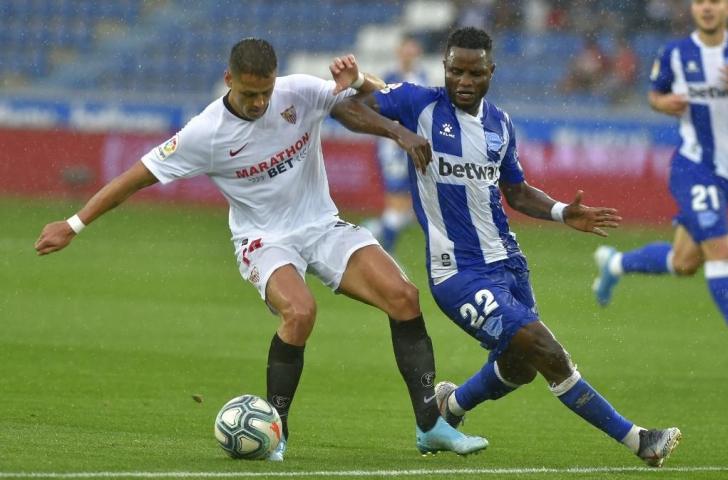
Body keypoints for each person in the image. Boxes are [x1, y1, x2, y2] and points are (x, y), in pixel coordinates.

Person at [34, 38, 488, 460]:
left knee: (403, 297)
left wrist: (393, 128)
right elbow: (134, 177)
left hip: (321, 225)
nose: (259, 102)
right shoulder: (204, 133)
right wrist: (75, 223)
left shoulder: (295, 92)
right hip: (263, 240)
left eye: (265, 92)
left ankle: (430, 424)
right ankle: (276, 431)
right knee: (300, 312)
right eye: (250, 94)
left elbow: (350, 107)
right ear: (229, 80)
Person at [333, 27, 681, 467]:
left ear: (490, 72)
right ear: (444, 68)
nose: (463, 80)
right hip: (457, 274)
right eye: (455, 70)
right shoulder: (417, 103)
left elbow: (514, 192)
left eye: (474, 72)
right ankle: (640, 440)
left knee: (521, 366)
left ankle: (448, 409)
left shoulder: (500, 124)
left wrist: (560, 212)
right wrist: (397, 133)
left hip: (509, 263)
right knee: (546, 349)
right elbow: (345, 109)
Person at [593, 0, 728, 328]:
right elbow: (655, 95)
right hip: (697, 168)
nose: (707, 8)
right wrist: (663, 103)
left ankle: (615, 264)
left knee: (684, 262)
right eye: (700, 1)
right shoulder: (676, 54)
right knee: (721, 251)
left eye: (715, 1)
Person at [365, 36, 428, 253]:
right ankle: (382, 249)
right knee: (397, 202)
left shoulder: (421, 77)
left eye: (413, 52)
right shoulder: (389, 78)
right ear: (399, 53)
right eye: (406, 52)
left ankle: (373, 233)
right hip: (394, 147)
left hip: (412, 143)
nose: (410, 56)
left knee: (405, 208)